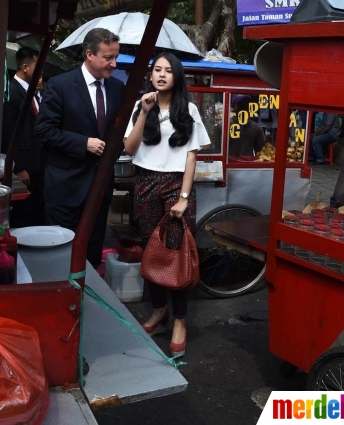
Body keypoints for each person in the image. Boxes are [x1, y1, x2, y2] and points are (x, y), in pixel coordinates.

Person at [124, 52, 210, 358]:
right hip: (145, 182)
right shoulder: (140, 106)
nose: (161, 75)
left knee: (177, 254)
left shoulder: (188, 110)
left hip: (176, 185)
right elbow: (130, 147)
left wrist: (184, 197)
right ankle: (159, 311)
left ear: (177, 77)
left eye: (168, 70)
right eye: (157, 69)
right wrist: (144, 112)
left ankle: (180, 321)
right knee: (152, 251)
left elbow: (191, 155)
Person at [35, 28, 124, 268]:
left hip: (100, 187)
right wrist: (83, 143)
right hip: (66, 188)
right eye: (108, 57)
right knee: (62, 255)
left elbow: (117, 133)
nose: (114, 64)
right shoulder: (61, 85)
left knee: (92, 254)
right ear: (89, 55)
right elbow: (43, 130)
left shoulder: (117, 89)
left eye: (115, 57)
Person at [3, 47, 46, 227]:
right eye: (38, 68)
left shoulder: (35, 93)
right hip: (22, 166)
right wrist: (18, 166)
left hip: (38, 164)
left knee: (35, 212)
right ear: (26, 67)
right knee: (22, 214)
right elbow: (8, 132)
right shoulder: (11, 92)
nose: (41, 73)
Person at [228, 94, 265, 158]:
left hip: (247, 166)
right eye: (240, 104)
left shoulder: (257, 129)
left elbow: (261, 154)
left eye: (246, 104)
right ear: (233, 106)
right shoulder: (223, 127)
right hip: (228, 165)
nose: (243, 107)